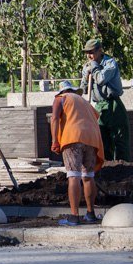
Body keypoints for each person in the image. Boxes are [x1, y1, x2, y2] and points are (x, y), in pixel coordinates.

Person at [50, 81, 105, 226]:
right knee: (88, 176)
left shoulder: (60, 99)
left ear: (62, 91)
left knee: (73, 175)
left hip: (73, 138)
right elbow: (96, 116)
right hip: (92, 139)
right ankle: (91, 214)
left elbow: (54, 118)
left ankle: (74, 217)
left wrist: (55, 141)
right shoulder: (85, 102)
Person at [80, 38, 130, 161]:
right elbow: (83, 89)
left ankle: (123, 166)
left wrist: (94, 67)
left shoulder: (110, 63)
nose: (89, 56)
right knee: (102, 140)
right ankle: (107, 167)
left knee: (119, 139)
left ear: (99, 51)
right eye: (87, 53)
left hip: (113, 104)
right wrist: (85, 77)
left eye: (91, 52)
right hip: (99, 106)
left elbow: (101, 79)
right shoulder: (87, 67)